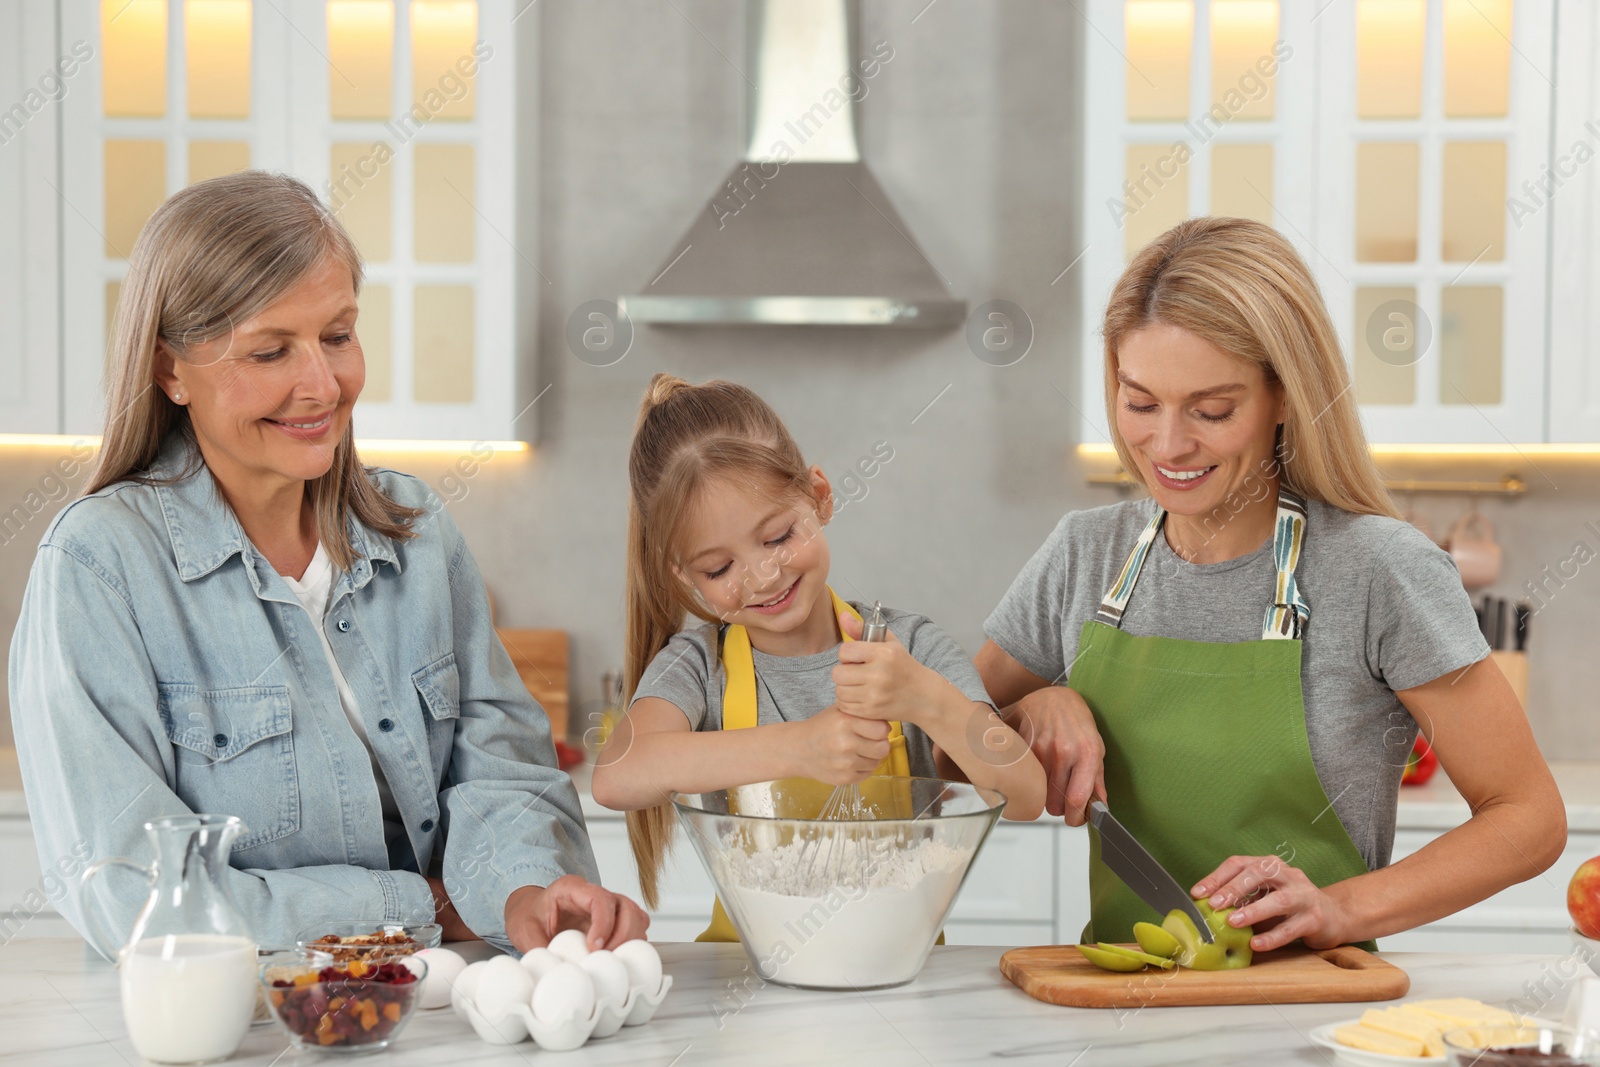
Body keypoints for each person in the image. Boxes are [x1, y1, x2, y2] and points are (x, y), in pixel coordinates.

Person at [8, 172, 645, 955]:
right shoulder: (98, 568)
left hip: (444, 1013)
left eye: (338, 335)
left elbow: (504, 771)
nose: (322, 384)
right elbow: (134, 895)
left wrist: (523, 891)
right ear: (171, 370)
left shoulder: (419, 532)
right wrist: (412, 906)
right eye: (271, 350)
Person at [976, 216, 1566, 951]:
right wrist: (1035, 705)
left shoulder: (1379, 569)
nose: (1168, 444)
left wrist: (1345, 909)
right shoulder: (1082, 556)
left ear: (1285, 395)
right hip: (1124, 1010)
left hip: (1312, 1015)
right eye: (1140, 402)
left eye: (1211, 409)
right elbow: (937, 739)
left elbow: (1529, 816)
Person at [591, 375, 1046, 940]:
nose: (761, 575)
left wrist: (924, 699)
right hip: (748, 985)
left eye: (778, 536)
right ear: (685, 578)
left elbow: (1025, 793)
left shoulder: (911, 648)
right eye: (719, 569)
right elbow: (616, 776)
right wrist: (800, 747)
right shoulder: (699, 666)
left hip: (898, 978)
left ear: (820, 497)